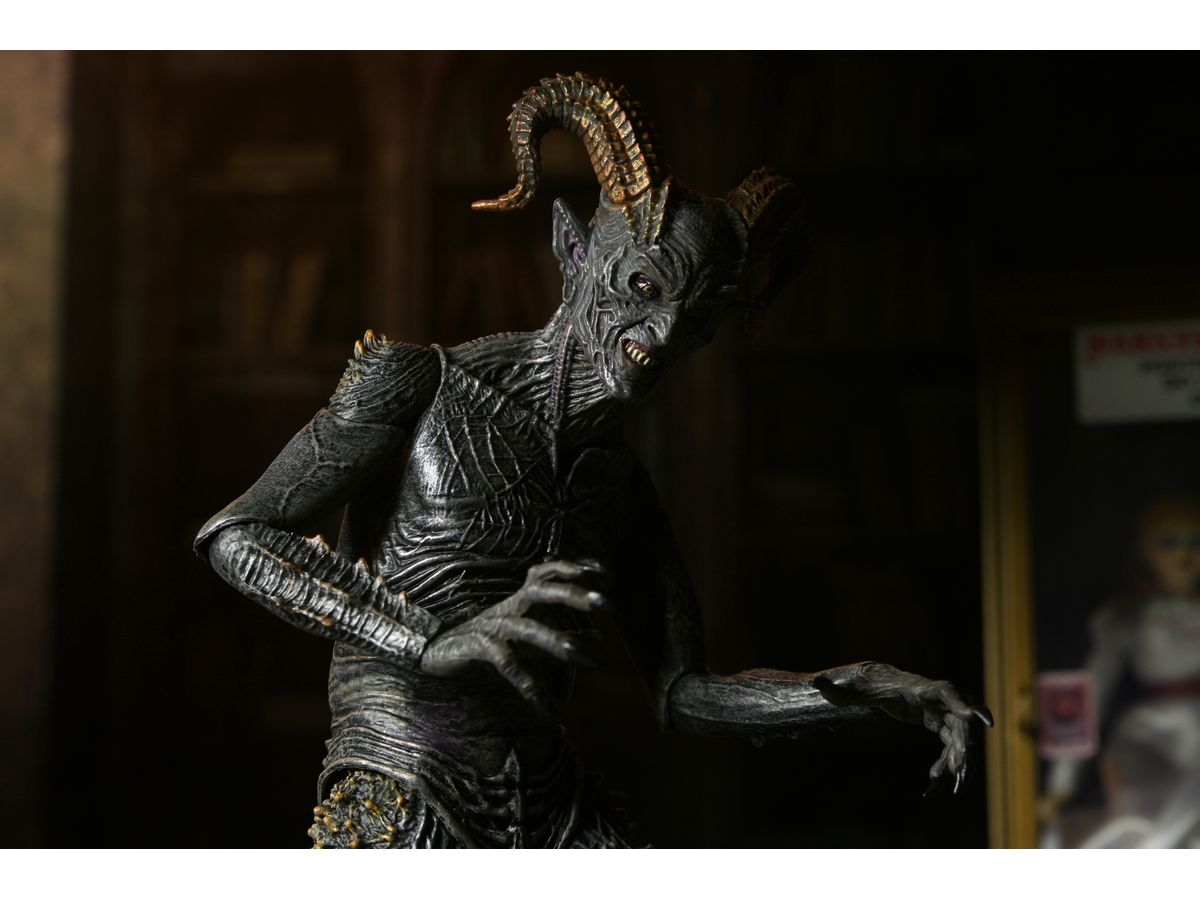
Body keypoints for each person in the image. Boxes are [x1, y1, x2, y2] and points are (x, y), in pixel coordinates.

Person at [1041, 496, 1200, 848]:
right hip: (1153, 738)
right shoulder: (1130, 616)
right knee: (1151, 825)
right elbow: (1093, 691)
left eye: (1195, 542)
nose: (1184, 554)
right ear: (1145, 551)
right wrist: (1061, 781)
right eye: (1169, 542)